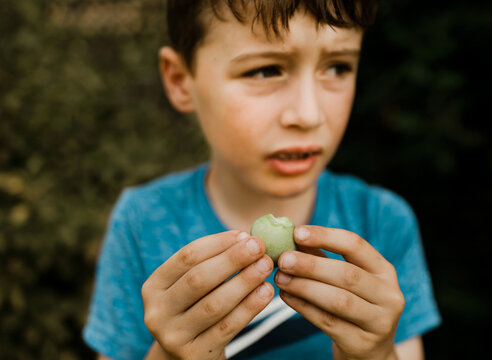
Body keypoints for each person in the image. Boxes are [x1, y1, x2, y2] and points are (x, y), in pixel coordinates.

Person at [83, 1, 441, 359]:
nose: (308, 114)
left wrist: (375, 354)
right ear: (180, 80)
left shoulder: (381, 221)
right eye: (266, 70)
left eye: (337, 67)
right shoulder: (142, 222)